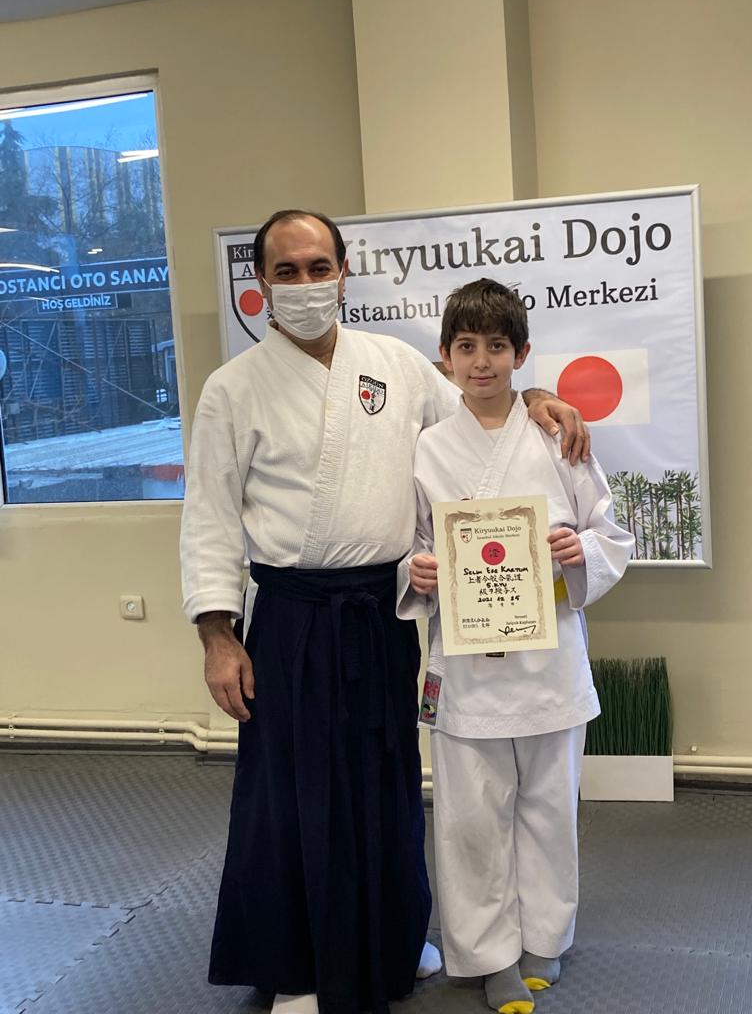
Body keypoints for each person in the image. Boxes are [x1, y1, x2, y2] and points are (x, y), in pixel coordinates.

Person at [180, 211, 591, 1014]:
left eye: (319, 267)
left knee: (385, 782)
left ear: (343, 274)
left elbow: (478, 406)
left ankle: (392, 944)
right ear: (260, 283)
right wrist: (217, 635)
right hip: (293, 613)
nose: (305, 284)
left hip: (385, 608)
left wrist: (539, 396)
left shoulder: (395, 365)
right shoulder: (232, 388)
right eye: (287, 270)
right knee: (293, 791)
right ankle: (297, 967)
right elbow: (210, 516)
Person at [398, 279, 634, 1014]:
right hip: (466, 665)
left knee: (548, 807)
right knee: (470, 816)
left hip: (549, 657)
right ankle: (488, 953)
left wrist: (578, 551)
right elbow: (410, 542)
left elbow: (610, 532)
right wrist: (418, 570)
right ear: (445, 356)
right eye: (466, 347)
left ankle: (545, 938)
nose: (482, 362)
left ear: (521, 353)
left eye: (497, 346)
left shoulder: (557, 437)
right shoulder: (428, 448)